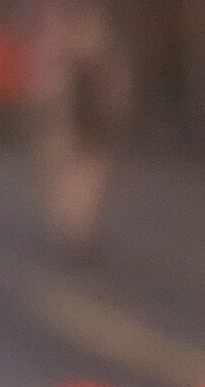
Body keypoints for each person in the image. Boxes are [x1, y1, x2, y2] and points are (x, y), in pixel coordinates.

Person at [29, 0, 131, 253]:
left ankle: (76, 226)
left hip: (82, 111)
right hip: (71, 111)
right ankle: (74, 226)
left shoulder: (81, 38)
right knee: (75, 169)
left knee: (83, 169)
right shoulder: (76, 36)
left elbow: (111, 78)